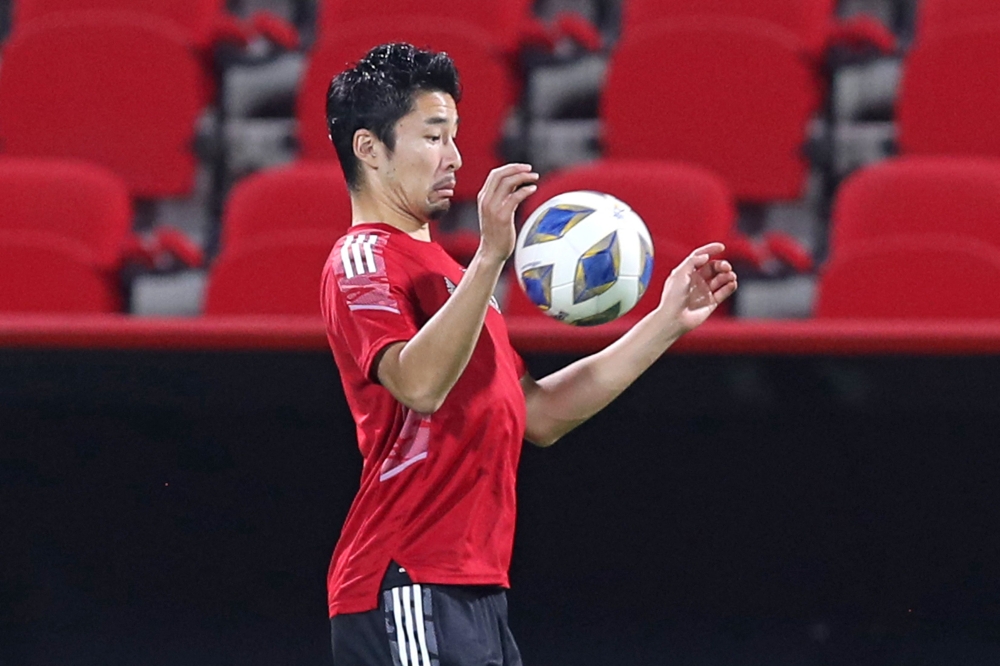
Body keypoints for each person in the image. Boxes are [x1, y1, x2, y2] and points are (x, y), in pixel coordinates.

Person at [320, 42, 738, 666]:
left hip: (473, 586)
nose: (455, 158)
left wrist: (664, 323)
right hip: (405, 576)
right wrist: (491, 257)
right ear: (369, 149)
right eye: (434, 137)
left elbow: (536, 413)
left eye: (455, 136)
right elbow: (419, 385)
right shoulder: (363, 259)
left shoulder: (452, 274)